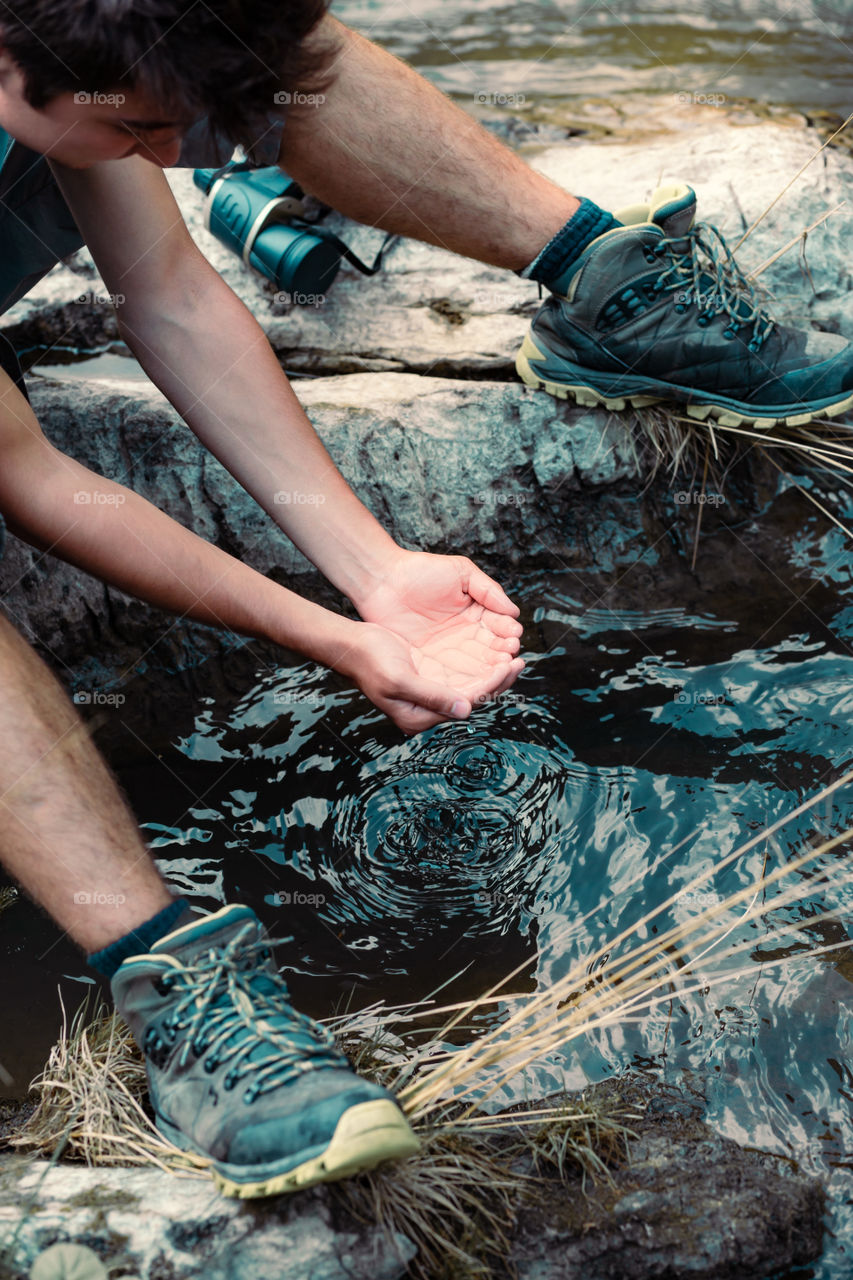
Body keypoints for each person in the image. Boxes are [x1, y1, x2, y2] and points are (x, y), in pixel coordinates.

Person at [0, 0, 850, 1201]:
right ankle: (168, 975)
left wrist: (372, 567)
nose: (178, 159)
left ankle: (600, 280)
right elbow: (30, 475)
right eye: (142, 128)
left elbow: (172, 294)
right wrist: (333, 638)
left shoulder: (76, 63)